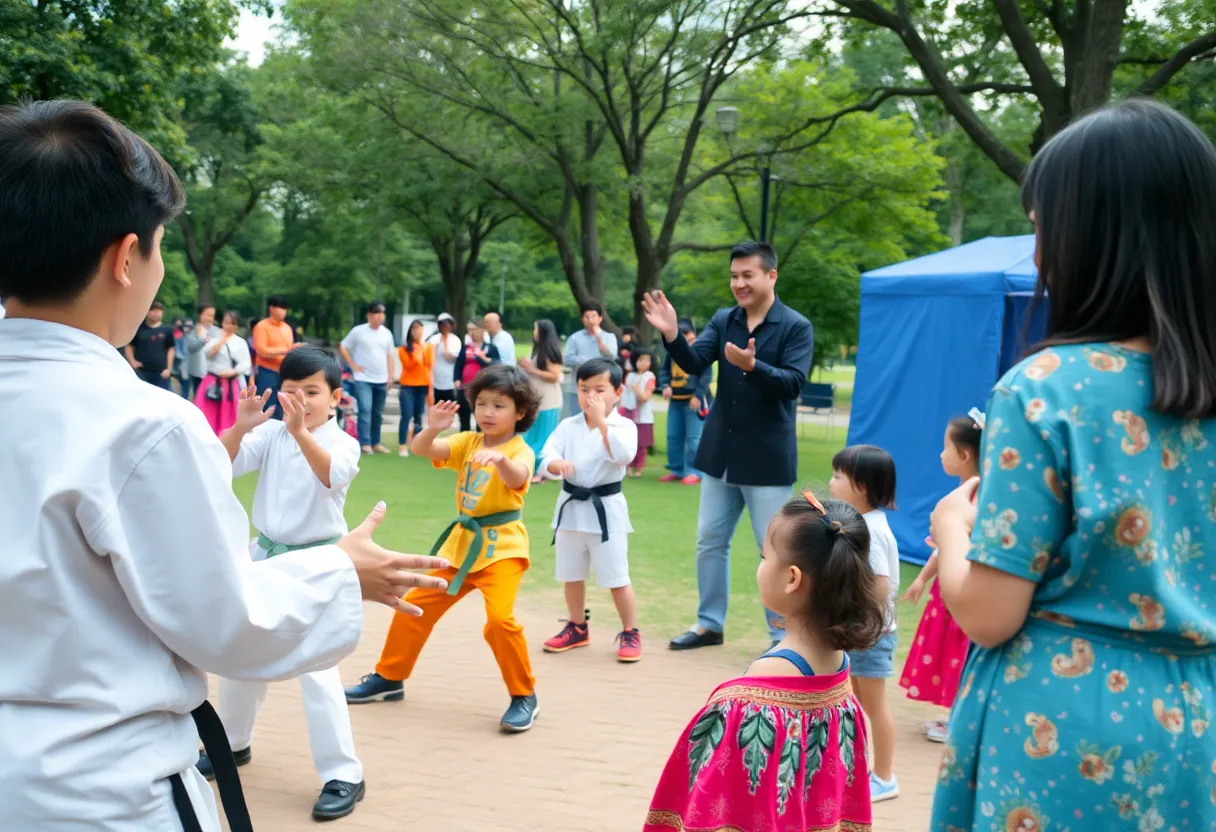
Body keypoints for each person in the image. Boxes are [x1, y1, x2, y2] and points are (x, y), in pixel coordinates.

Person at [0, 99, 449, 831]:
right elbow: (226, 622)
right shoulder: (142, 423)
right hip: (99, 790)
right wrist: (342, 571)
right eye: (158, 245)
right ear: (124, 258)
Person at [929, 100, 1216, 832]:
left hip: (1062, 729)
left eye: (1040, 226)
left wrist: (952, 527)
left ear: (1094, 236)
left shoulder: (1047, 388)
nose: (1038, 251)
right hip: (1199, 723)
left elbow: (991, 614)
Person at [643, 491, 883, 832]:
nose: (759, 566)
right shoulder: (837, 662)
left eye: (763, 556)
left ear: (792, 578)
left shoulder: (754, 695)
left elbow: (718, 805)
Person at [200, 347, 367, 821]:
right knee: (241, 654)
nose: (300, 400)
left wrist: (298, 432)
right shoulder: (271, 433)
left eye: (311, 392)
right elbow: (221, 467)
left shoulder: (344, 442)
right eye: (291, 391)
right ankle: (232, 743)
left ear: (335, 397)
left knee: (317, 673)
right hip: (263, 557)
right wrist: (240, 426)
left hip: (317, 565)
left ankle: (344, 774)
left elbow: (332, 477)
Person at [345, 364, 543, 732]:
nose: (487, 412)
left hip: (502, 549)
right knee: (414, 606)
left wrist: (501, 460)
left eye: (498, 405)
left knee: (500, 621)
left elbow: (520, 477)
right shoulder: (468, 441)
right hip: (461, 547)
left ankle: (523, 695)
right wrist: (433, 427)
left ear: (520, 412)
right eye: (481, 403)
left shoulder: (520, 450)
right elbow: (424, 449)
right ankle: (389, 677)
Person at [642, 242, 813, 650]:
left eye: (747, 275)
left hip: (767, 458)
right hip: (720, 455)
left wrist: (755, 368)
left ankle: (782, 637)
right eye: (734, 276)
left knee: (774, 550)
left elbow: (793, 383)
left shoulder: (795, 326)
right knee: (710, 541)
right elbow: (696, 361)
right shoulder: (724, 319)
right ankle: (709, 623)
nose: (739, 283)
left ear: (771, 276)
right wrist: (670, 334)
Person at [540, 357, 642, 661]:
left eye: (599, 390)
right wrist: (555, 465)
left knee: (616, 576)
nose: (590, 397)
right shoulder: (567, 425)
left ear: (618, 391)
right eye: (584, 389)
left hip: (606, 512)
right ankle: (577, 626)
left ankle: (630, 631)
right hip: (570, 509)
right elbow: (546, 456)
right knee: (570, 574)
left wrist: (600, 422)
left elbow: (624, 455)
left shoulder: (624, 425)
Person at [899, 413, 981, 744]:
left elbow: (951, 544)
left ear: (964, 455)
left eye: (945, 447)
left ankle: (957, 721)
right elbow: (943, 547)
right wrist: (922, 579)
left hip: (960, 590)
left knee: (959, 652)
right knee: (953, 651)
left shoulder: (971, 499)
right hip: (951, 588)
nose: (940, 455)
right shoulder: (969, 494)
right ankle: (955, 717)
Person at [828, 445, 901, 802]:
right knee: (856, 704)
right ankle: (857, 770)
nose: (831, 481)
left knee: (874, 707)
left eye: (839, 475)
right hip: (864, 632)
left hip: (873, 634)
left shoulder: (870, 532)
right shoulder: (864, 524)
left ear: (861, 486)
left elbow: (879, 587)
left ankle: (885, 777)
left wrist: (851, 617)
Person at [659, 319, 711, 484]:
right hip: (675, 400)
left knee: (694, 438)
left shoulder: (701, 349)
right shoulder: (672, 351)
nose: (684, 337)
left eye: (686, 333)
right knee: (673, 436)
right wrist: (665, 385)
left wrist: (698, 395)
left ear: (692, 333)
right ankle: (677, 469)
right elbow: (664, 371)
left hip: (693, 400)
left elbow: (706, 375)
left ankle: (696, 471)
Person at [340, 301, 396, 454]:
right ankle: (365, 443)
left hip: (381, 378)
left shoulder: (387, 333)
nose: (381, 316)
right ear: (369, 315)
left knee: (377, 412)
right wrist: (352, 365)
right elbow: (343, 346)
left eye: (383, 313)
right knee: (365, 409)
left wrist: (390, 375)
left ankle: (376, 442)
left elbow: (390, 355)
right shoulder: (358, 331)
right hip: (363, 378)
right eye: (377, 313)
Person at [520, 318, 564, 484]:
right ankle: (530, 468)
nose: (533, 332)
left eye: (535, 329)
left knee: (544, 438)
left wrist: (530, 369)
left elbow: (554, 376)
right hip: (536, 400)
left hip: (549, 401)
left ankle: (541, 471)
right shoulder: (538, 351)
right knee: (531, 436)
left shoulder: (550, 352)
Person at [194, 310, 252, 435]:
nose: (229, 326)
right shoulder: (215, 337)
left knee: (228, 414)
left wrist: (233, 371)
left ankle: (226, 436)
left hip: (230, 382)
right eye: (226, 323)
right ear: (222, 323)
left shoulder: (240, 342)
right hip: (212, 380)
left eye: (232, 324)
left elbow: (246, 364)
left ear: (236, 326)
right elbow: (208, 353)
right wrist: (221, 342)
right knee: (207, 411)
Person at [563, 301, 617, 419]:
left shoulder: (609, 337)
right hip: (578, 388)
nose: (590, 319)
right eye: (587, 317)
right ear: (582, 319)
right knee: (577, 421)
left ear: (600, 318)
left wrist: (599, 338)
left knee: (600, 421)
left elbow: (613, 358)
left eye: (593, 316)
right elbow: (567, 358)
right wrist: (586, 362)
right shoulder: (575, 338)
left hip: (602, 389)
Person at [453, 316, 501, 431]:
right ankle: (464, 443)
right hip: (465, 388)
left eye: (474, 329)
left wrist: (483, 359)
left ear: (482, 330)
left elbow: (497, 365)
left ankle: (481, 442)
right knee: (464, 417)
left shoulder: (490, 348)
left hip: (483, 388)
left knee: (481, 418)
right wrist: (457, 379)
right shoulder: (466, 348)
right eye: (469, 330)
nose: (471, 333)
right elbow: (459, 364)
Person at [252, 295, 295, 419]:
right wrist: (286, 350)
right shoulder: (262, 326)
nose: (283, 312)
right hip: (267, 370)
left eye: (285, 308)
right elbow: (261, 351)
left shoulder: (287, 328)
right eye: (280, 308)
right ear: (271, 308)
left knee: (283, 405)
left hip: (285, 371)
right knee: (268, 405)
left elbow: (290, 348)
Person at [396, 318, 433, 457]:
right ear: (410, 332)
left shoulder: (427, 347)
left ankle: (416, 445)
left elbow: (429, 363)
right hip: (407, 386)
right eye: (414, 329)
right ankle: (402, 445)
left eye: (420, 329)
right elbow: (409, 366)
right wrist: (416, 354)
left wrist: (422, 350)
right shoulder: (404, 349)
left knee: (418, 416)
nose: (417, 332)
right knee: (406, 414)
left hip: (422, 385)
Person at [619, 348, 656, 477]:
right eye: (641, 360)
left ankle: (639, 468)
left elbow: (645, 397)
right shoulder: (630, 376)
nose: (644, 363)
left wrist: (636, 390)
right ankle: (628, 467)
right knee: (629, 442)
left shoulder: (649, 377)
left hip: (643, 415)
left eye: (647, 360)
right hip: (629, 413)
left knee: (641, 444)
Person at [125, 299, 175, 388]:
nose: (156, 313)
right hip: (141, 371)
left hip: (161, 372)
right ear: (147, 312)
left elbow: (171, 349)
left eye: (159, 311)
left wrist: (169, 369)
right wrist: (132, 361)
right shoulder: (138, 328)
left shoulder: (167, 330)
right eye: (153, 310)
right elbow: (129, 346)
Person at [183, 304, 219, 400]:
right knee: (198, 398)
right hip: (197, 372)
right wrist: (202, 339)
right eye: (208, 315)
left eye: (212, 315)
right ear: (200, 315)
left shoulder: (218, 332)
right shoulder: (192, 331)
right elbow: (190, 347)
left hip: (213, 372)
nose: (210, 318)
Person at [428, 311, 462, 408]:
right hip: (435, 381)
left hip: (449, 382)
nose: (444, 326)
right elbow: (430, 358)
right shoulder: (434, 339)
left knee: (447, 409)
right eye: (441, 324)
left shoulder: (455, 340)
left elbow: (450, 357)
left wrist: (445, 344)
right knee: (435, 408)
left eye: (447, 324)